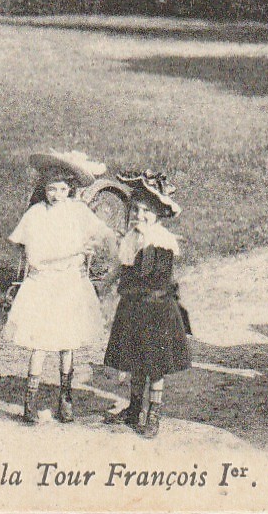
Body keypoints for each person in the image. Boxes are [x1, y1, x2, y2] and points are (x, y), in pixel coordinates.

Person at [4, 150, 118, 425]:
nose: (57, 195)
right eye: (51, 189)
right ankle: (30, 401)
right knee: (40, 343)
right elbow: (35, 257)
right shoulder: (36, 215)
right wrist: (75, 249)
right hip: (44, 284)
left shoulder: (77, 211)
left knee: (68, 342)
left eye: (63, 189)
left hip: (70, 284)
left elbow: (103, 232)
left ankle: (65, 397)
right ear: (43, 189)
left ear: (71, 189)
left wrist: (102, 243)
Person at [102, 171, 191, 438]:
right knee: (134, 358)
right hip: (134, 306)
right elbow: (123, 266)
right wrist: (107, 285)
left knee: (154, 362)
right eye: (136, 210)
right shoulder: (133, 237)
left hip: (155, 308)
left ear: (158, 214)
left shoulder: (160, 240)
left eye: (146, 211)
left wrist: (129, 285)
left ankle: (153, 412)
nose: (139, 215)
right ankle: (133, 407)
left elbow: (153, 276)